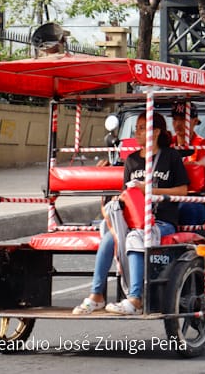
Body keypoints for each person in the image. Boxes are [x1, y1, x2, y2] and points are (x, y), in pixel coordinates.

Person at [73, 111, 188, 315]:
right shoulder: (132, 160)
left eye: (144, 128)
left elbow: (182, 191)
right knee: (110, 238)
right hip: (134, 218)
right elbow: (126, 193)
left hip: (161, 221)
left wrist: (150, 190)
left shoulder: (171, 157)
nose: (138, 132)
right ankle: (97, 294)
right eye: (137, 128)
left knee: (135, 236)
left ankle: (135, 298)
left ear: (157, 131)